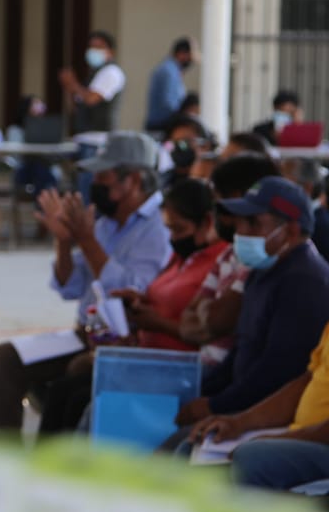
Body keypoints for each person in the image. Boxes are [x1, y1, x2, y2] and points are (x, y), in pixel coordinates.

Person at [0, 131, 171, 441]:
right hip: (85, 333)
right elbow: (70, 285)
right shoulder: (108, 222)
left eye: (103, 178)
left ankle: (51, 470)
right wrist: (65, 241)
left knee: (72, 380)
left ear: (133, 181)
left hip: (125, 341)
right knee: (6, 358)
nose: (94, 186)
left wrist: (87, 240)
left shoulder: (158, 229)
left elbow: (135, 291)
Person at [38, 177, 229, 437]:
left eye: (179, 230)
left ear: (206, 222)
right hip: (144, 354)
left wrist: (155, 322)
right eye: (169, 230)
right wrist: (139, 300)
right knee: (64, 387)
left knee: (79, 399)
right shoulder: (181, 256)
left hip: (178, 367)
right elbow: (69, 287)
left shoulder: (217, 262)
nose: (173, 238)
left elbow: (205, 329)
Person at [171, 176, 329, 436]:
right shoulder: (265, 270)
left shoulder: (303, 281)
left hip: (270, 417)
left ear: (291, 231)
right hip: (244, 405)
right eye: (240, 222)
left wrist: (215, 406)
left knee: (180, 447)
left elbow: (278, 373)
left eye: (253, 223)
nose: (240, 233)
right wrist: (202, 392)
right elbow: (243, 348)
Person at [186, 282, 329, 489]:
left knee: (253, 459)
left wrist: (292, 438)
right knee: (193, 446)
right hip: (302, 436)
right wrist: (238, 423)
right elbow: (310, 378)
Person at [177, 154, 282, 369]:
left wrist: (208, 314)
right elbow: (185, 325)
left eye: (217, 201)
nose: (215, 211)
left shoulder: (258, 255)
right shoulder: (229, 253)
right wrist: (211, 315)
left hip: (227, 378)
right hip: (203, 370)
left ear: (236, 198)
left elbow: (220, 320)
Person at [281, 156, 329, 283]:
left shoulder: (320, 227)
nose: (279, 191)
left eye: (285, 185)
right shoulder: (312, 219)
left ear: (307, 188)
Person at [59, 31, 125, 134]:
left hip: (99, 137)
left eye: (99, 47)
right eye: (92, 47)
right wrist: (70, 87)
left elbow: (91, 99)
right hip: (85, 135)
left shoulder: (111, 72)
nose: (94, 51)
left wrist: (73, 84)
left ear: (111, 52)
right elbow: (78, 106)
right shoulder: (94, 74)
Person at [144, 37, 195, 131]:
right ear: (181, 53)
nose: (192, 60)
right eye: (190, 55)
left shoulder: (171, 70)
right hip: (161, 126)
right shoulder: (169, 72)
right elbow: (169, 103)